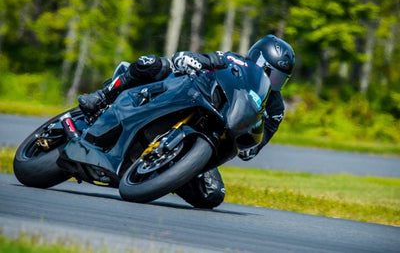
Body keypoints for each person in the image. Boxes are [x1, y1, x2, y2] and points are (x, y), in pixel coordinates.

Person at [78, 34, 295, 208]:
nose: (275, 82)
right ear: (259, 60)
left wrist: (252, 146)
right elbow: (210, 59)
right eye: (272, 74)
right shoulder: (235, 62)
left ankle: (165, 174)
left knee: (213, 194)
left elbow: (261, 139)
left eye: (281, 79)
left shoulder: (275, 108)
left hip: (213, 137)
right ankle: (102, 97)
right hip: (190, 97)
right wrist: (191, 59)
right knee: (153, 63)